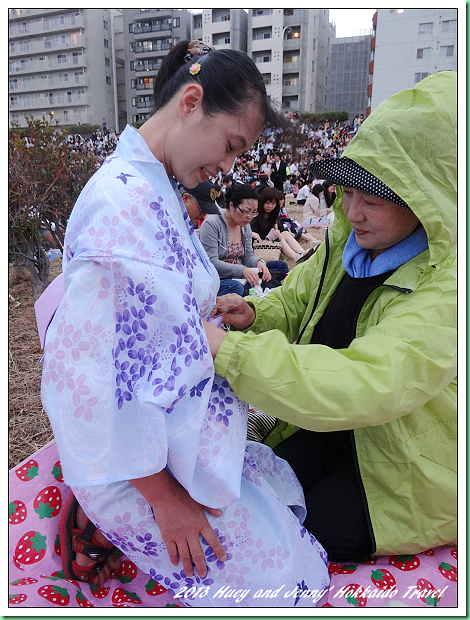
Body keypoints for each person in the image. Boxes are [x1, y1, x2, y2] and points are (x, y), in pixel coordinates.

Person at [39, 39, 329, 607]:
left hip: (178, 434)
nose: (228, 167)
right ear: (191, 101)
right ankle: (106, 519)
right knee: (287, 587)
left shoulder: (154, 187)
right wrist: (164, 498)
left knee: (296, 532)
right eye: (230, 145)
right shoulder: (119, 206)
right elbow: (84, 382)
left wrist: (209, 307)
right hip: (137, 463)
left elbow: (160, 310)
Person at [203, 72, 457, 562]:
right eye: (348, 192)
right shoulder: (349, 239)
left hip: (406, 464)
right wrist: (254, 312)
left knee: (317, 526)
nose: (354, 211)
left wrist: (230, 353)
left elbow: (368, 380)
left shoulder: (448, 287)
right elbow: (298, 297)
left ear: (426, 203)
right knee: (260, 488)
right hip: (329, 425)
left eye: (374, 200)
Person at [199, 183, 288, 296]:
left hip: (242, 273)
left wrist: (258, 263)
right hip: (220, 277)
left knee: (281, 267)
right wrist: (242, 270)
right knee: (236, 288)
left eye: (254, 212)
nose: (249, 217)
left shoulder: (244, 226)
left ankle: (252, 285)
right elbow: (212, 263)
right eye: (246, 211)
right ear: (231, 205)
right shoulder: (212, 224)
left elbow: (248, 256)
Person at [251, 187, 306, 261]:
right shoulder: (255, 215)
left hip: (270, 242)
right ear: (262, 201)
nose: (270, 206)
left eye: (273, 204)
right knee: (281, 236)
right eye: (267, 203)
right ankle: (295, 257)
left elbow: (279, 229)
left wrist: (277, 231)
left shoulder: (273, 215)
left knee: (285, 233)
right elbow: (246, 230)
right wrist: (256, 235)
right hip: (259, 245)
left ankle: (302, 253)